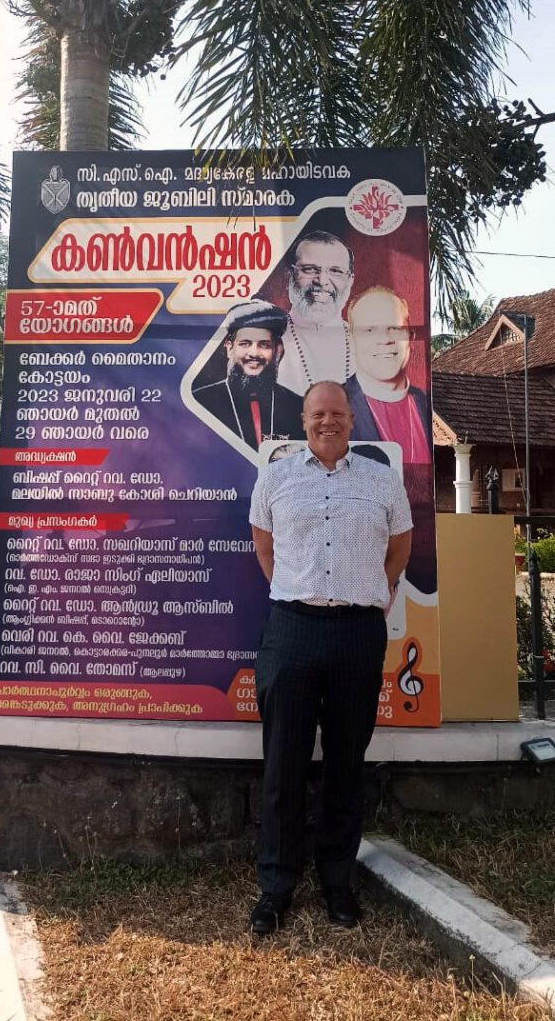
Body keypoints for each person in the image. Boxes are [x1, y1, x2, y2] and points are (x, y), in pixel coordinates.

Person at [248, 380, 412, 935]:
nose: (328, 422)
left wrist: (376, 588)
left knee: (346, 762)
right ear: (303, 418)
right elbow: (263, 546)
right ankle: (276, 886)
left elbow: (401, 545)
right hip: (291, 630)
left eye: (337, 413)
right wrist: (294, 591)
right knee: (283, 765)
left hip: (357, 634)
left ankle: (338, 881)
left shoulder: (381, 479)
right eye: (318, 413)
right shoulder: (275, 477)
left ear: (350, 419)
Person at [192, 300, 303, 451]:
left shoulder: (299, 408)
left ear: (278, 351)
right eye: (245, 343)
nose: (254, 353)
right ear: (229, 347)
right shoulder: (200, 402)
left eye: (264, 345)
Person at [344, 287, 432, 464]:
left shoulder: (428, 403)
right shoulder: (330, 406)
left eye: (394, 328)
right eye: (369, 330)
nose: (385, 340)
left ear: (411, 337)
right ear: (351, 340)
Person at [278, 231, 355, 395]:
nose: (321, 281)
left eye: (335, 271)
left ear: (350, 281)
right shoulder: (266, 342)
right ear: (289, 275)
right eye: (309, 269)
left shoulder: (365, 346)